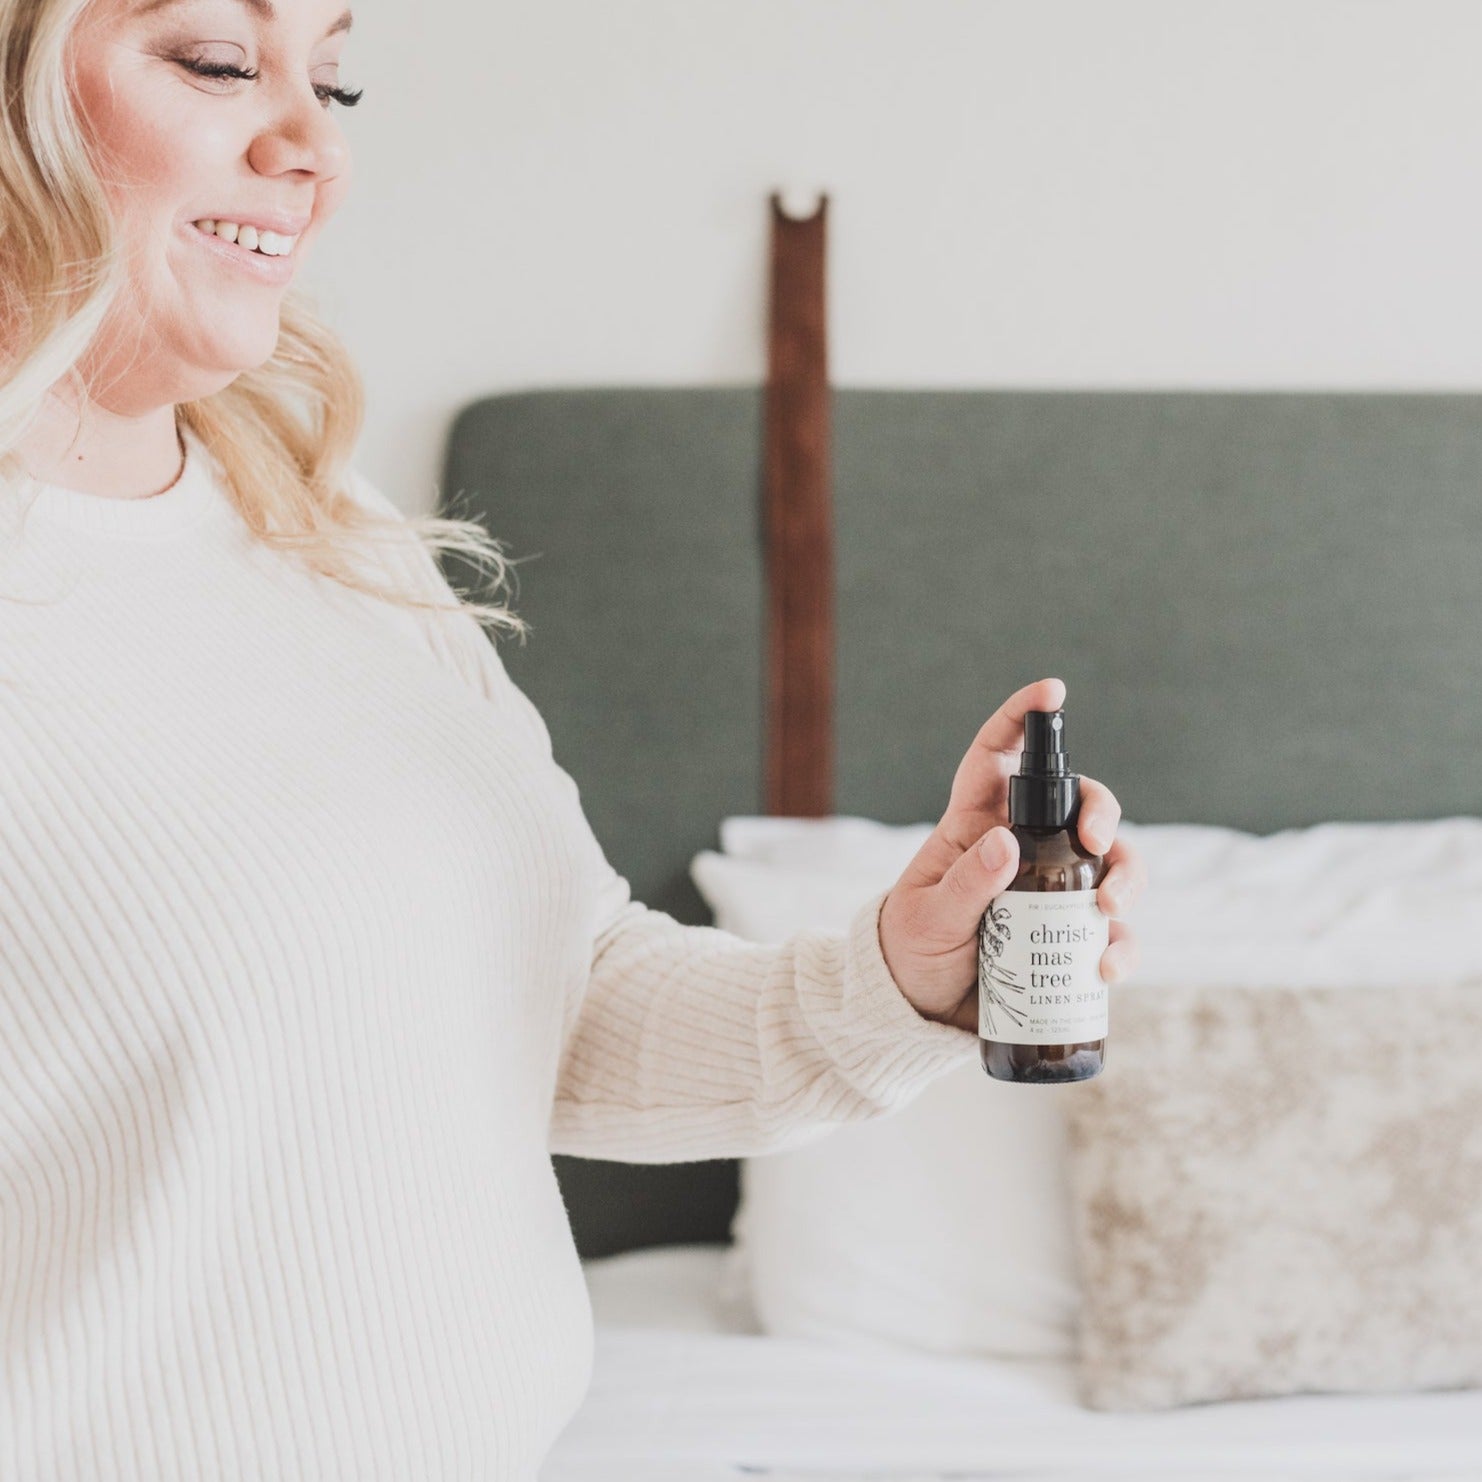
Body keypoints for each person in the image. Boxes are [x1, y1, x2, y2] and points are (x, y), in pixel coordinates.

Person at [0, 0, 1146, 1476]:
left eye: (334, 78)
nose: (312, 148)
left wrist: (890, 976)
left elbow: (558, 1004)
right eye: (219, 59)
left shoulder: (322, 532)